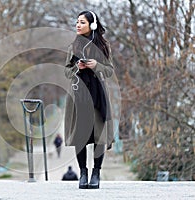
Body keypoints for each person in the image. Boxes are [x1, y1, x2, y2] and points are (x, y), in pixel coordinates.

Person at [64, 10, 119, 189]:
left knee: (99, 134)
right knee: (80, 135)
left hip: (98, 94)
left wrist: (97, 66)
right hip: (79, 94)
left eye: (82, 22)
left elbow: (109, 70)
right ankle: (83, 173)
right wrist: (77, 68)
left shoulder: (103, 46)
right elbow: (66, 72)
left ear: (92, 25)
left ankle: (96, 173)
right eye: (77, 22)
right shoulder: (73, 47)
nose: (78, 25)